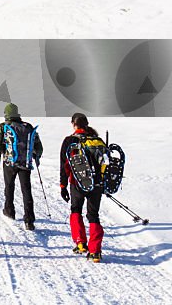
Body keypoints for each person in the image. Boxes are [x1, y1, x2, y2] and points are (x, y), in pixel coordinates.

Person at [60, 112, 105, 263]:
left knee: (76, 209)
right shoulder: (97, 140)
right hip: (97, 183)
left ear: (73, 124)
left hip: (77, 182)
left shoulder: (70, 141)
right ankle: (96, 252)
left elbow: (64, 166)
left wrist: (63, 185)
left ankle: (80, 243)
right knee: (93, 215)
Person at [0, 102, 43, 230]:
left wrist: (4, 149)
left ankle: (9, 211)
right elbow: (38, 146)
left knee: (9, 186)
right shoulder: (28, 126)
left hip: (9, 162)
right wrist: (36, 156)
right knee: (26, 190)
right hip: (25, 163)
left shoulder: (3, 126)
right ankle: (29, 220)